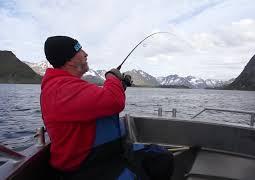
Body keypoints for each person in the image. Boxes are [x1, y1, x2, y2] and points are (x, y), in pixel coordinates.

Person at [41, 36, 173, 180]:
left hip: (106, 155)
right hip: (86, 167)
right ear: (68, 60)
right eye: (79, 50)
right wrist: (112, 77)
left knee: (161, 158)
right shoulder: (61, 89)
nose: (86, 54)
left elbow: (98, 99)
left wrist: (118, 86)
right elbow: (114, 101)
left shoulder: (67, 86)